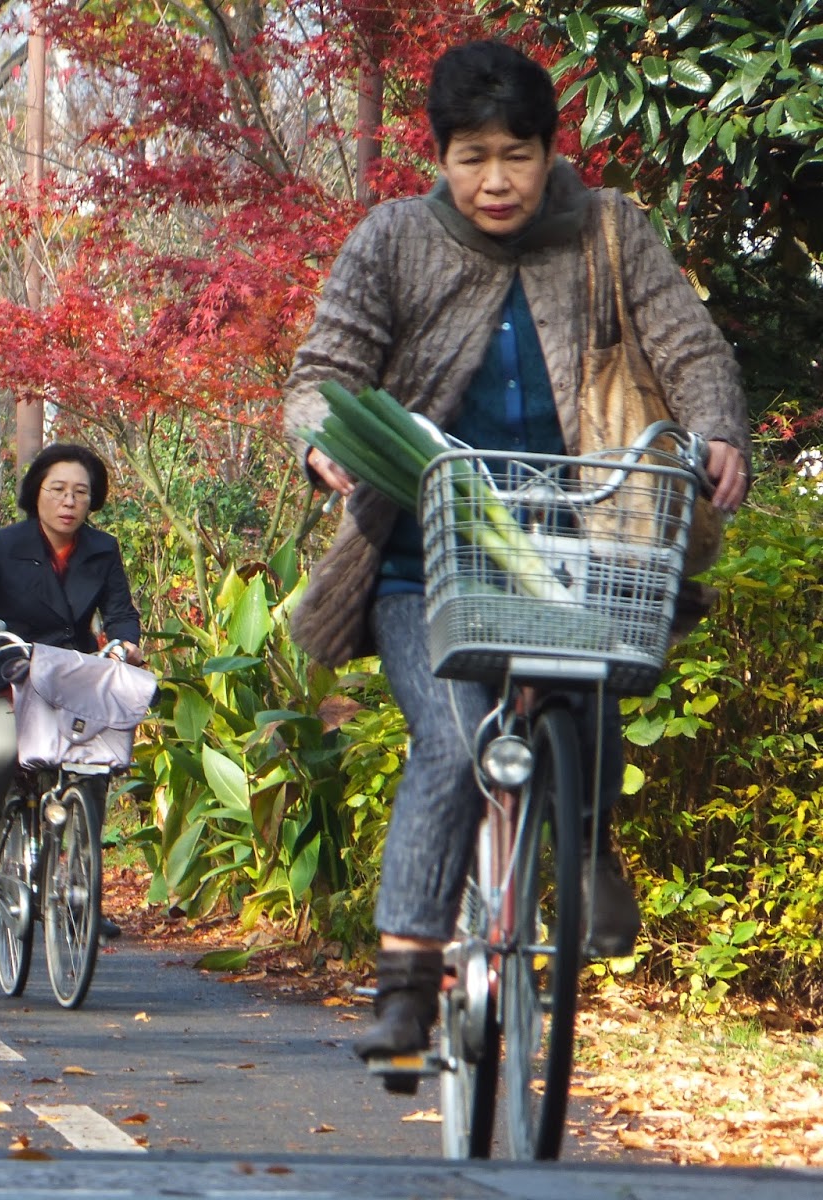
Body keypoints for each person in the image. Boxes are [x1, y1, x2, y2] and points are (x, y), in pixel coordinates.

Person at [283, 40, 750, 1074]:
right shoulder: (394, 240)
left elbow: (688, 346)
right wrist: (325, 441)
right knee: (451, 746)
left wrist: (716, 428)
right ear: (440, 158)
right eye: (471, 156)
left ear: (549, 152)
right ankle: (406, 984)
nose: (495, 180)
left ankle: (586, 849)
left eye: (517, 155)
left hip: (583, 537)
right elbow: (324, 369)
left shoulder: (607, 231)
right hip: (426, 555)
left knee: (601, 668)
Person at [0, 443, 144, 912]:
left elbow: (121, 613)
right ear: (37, 494)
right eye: (58, 490)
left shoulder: (102, 549)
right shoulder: (5, 545)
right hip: (11, 674)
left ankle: (83, 891)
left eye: (80, 493)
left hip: (75, 679)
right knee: (3, 748)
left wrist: (126, 642)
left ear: (93, 501)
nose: (69, 502)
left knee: (95, 768)